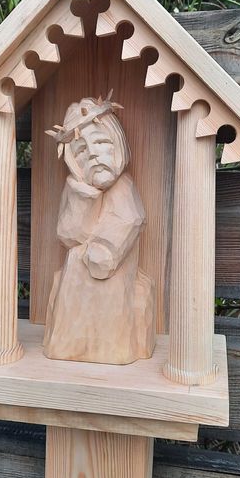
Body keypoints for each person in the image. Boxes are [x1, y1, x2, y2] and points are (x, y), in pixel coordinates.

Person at [44, 92, 155, 364]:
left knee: (110, 305)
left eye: (101, 143)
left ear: (118, 143)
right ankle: (69, 347)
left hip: (113, 276)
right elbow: (68, 234)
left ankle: (110, 349)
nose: (93, 155)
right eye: (82, 151)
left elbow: (131, 219)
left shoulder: (124, 187)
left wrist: (106, 248)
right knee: (72, 296)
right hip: (76, 278)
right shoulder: (76, 190)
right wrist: (83, 196)